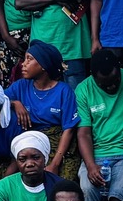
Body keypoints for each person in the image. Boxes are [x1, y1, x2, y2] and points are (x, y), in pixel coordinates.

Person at [73, 47, 123, 201]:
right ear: (93, 77)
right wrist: (90, 165)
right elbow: (83, 133)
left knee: (119, 192)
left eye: (115, 81)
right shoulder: (83, 89)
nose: (111, 87)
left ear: (119, 69)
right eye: (105, 84)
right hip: (97, 155)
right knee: (87, 190)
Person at [6, 40, 81, 172]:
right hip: (30, 142)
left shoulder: (63, 91)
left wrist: (55, 164)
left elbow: (68, 129)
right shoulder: (21, 86)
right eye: (24, 59)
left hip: (58, 144)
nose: (23, 64)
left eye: (29, 59)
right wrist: (14, 103)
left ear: (43, 66)